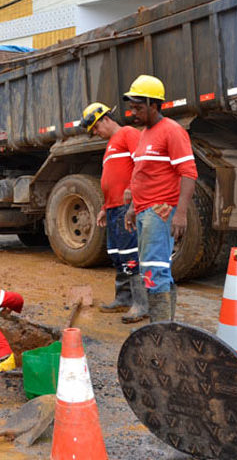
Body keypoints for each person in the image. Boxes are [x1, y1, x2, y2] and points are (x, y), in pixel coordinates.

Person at [122, 75, 197, 322]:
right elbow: (143, 174)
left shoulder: (172, 131)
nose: (133, 112)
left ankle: (160, 331)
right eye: (132, 107)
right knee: (152, 269)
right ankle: (163, 327)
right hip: (144, 211)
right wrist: (133, 207)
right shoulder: (144, 134)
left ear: (154, 105)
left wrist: (182, 213)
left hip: (160, 211)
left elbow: (188, 173)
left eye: (139, 107)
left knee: (155, 271)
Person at [80, 102, 147, 323]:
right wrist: (103, 208)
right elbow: (112, 180)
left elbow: (143, 164)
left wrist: (134, 197)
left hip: (126, 208)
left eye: (96, 128)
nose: (96, 134)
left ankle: (141, 303)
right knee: (118, 255)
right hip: (113, 209)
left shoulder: (128, 133)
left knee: (131, 255)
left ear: (105, 119)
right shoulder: (110, 146)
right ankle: (124, 298)